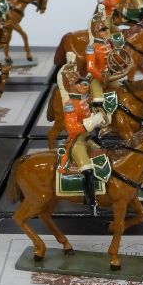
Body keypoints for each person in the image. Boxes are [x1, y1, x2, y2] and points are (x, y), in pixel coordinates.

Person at [57, 52, 105, 216]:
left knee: (107, 154)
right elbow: (72, 128)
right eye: (81, 83)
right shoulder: (70, 104)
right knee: (88, 172)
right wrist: (93, 121)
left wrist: (99, 117)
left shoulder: (85, 100)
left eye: (85, 83)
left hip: (89, 138)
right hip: (77, 142)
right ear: (74, 86)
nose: (85, 86)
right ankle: (92, 203)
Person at [85, 5, 114, 106]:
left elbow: (113, 58)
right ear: (96, 33)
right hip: (97, 78)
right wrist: (101, 78)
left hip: (111, 76)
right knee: (98, 100)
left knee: (122, 90)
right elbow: (90, 67)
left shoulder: (108, 43)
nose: (106, 31)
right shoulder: (91, 47)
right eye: (102, 30)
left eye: (105, 29)